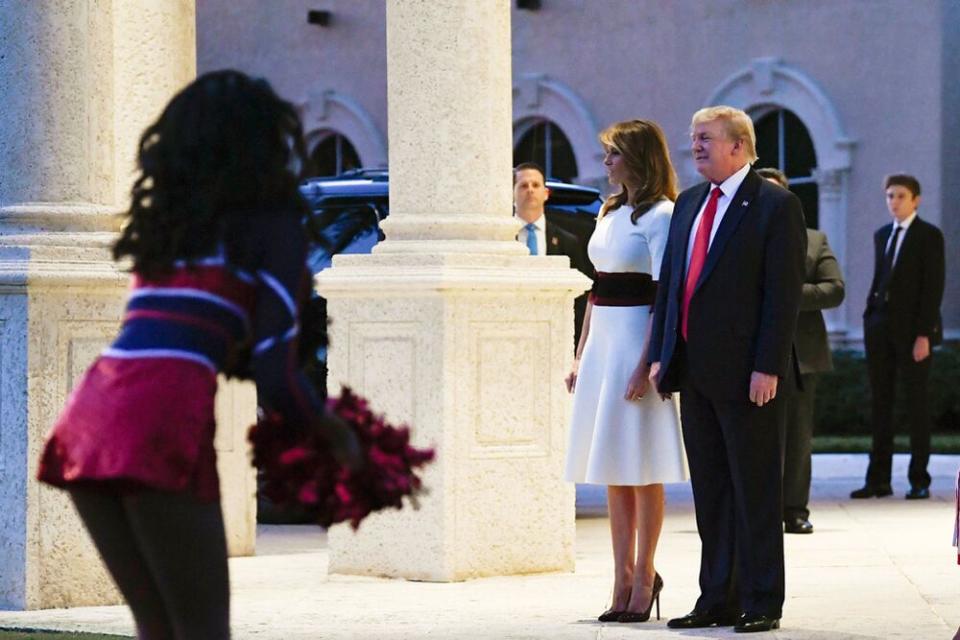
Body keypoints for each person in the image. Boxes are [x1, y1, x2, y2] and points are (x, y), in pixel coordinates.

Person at [37, 70, 358, 640]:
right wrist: (334, 433)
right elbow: (276, 376)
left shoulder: (169, 226)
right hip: (162, 414)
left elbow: (186, 330)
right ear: (265, 140)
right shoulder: (273, 224)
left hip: (90, 414)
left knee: (157, 627)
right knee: (204, 631)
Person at [648, 106, 806, 633]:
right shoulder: (689, 203)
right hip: (694, 371)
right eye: (692, 137)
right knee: (711, 493)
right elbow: (672, 285)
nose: (694, 147)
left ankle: (762, 600)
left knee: (756, 492)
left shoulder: (775, 205)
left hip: (748, 377)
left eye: (705, 138)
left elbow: (781, 297)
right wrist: (661, 353)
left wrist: (767, 366)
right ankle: (717, 596)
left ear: (739, 145)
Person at [563, 119, 688, 624]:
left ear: (637, 157)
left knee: (643, 467)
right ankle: (619, 580)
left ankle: (644, 575)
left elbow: (663, 297)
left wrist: (647, 365)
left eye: (613, 154)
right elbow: (597, 288)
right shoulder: (609, 208)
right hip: (603, 346)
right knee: (614, 467)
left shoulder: (662, 214)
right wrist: (580, 353)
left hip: (638, 341)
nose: (606, 162)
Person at [757, 167, 845, 535]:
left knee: (797, 437)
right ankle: (758, 511)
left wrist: (789, 296)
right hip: (753, 352)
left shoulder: (813, 240)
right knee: (757, 438)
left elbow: (834, 289)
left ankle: (794, 509)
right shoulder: (746, 240)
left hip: (801, 354)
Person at [852, 174, 945, 501]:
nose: (894, 201)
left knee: (916, 405)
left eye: (901, 196)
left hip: (913, 333)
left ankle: (919, 478)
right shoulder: (882, 235)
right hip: (880, 328)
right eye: (890, 196)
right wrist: (869, 317)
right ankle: (878, 479)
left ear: (915, 199)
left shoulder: (929, 236)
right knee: (880, 405)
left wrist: (924, 335)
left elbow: (932, 289)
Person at [514, 162, 593, 343]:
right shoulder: (501, 240)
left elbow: (581, 296)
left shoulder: (568, 241)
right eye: (523, 185)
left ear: (546, 193)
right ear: (511, 193)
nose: (530, 190)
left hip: (554, 333)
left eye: (536, 185)